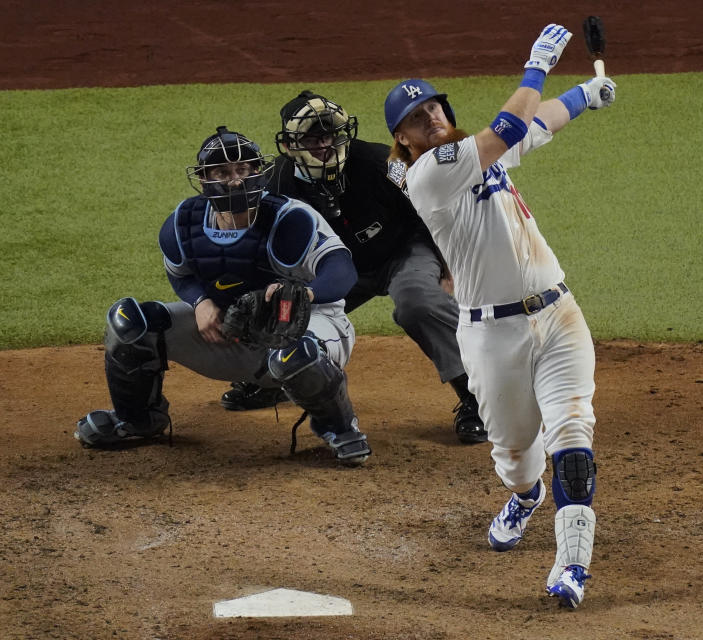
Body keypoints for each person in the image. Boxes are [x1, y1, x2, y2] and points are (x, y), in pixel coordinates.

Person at [383, 24, 616, 608]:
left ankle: (572, 565)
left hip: (558, 314)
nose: (431, 117)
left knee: (572, 431)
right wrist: (536, 64)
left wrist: (587, 96)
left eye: (434, 107)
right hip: (491, 335)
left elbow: (535, 127)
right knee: (515, 454)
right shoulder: (429, 174)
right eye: (416, 117)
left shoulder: (478, 154)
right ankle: (525, 493)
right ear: (404, 141)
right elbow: (511, 123)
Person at [74, 126, 372, 465]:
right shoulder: (183, 225)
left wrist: (302, 293)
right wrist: (200, 303)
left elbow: (342, 269)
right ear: (204, 179)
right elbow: (181, 276)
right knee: (128, 322)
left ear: (258, 172)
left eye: (243, 170)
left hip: (310, 327)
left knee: (297, 354)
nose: (235, 180)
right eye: (223, 172)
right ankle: (136, 420)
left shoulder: (289, 219)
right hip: (232, 339)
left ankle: (341, 428)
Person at [217, 90, 487, 445]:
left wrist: (449, 265)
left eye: (328, 135)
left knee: (417, 300)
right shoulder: (277, 183)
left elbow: (433, 209)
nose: (324, 144)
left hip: (402, 251)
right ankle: (275, 379)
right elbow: (262, 248)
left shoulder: (381, 161)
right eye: (312, 138)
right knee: (283, 303)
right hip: (336, 269)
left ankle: (477, 397)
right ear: (289, 145)